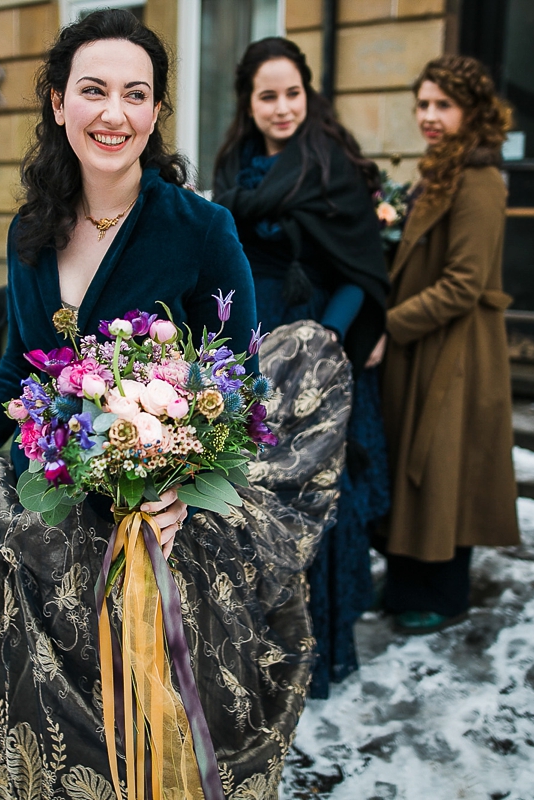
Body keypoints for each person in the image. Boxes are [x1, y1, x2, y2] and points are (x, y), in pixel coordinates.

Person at [0, 11, 350, 798]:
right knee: (59, 726)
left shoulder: (200, 228)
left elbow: (235, 383)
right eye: (93, 90)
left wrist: (180, 484)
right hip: (58, 514)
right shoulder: (31, 228)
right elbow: (20, 368)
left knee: (150, 726)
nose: (115, 113)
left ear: (157, 113)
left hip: (168, 519)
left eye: (137, 95)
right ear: (58, 103)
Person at [212, 37, 391, 698]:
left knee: (314, 488)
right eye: (268, 96)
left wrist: (326, 340)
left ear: (307, 93)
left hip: (315, 337)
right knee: (256, 487)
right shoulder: (234, 164)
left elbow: (359, 267)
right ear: (249, 102)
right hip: (247, 337)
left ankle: (317, 648)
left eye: (293, 93)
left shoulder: (331, 163)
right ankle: (259, 641)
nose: (282, 107)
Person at [378, 55, 521, 635]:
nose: (429, 116)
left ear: (473, 111)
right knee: (415, 467)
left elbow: (464, 283)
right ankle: (409, 581)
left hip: (457, 349)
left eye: (443, 105)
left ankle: (443, 594)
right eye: (423, 104)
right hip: (425, 342)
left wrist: (391, 324)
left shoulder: (480, 179)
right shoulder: (440, 170)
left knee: (442, 469)